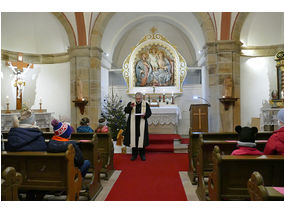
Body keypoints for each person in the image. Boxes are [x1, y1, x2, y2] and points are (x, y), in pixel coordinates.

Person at [123, 92, 152, 161]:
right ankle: (134, 155)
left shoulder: (145, 104)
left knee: (141, 139)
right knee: (134, 139)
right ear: (135, 98)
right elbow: (126, 111)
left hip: (142, 123)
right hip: (133, 124)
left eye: (139, 98)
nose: (138, 100)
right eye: (137, 98)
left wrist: (144, 115)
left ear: (142, 98)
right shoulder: (131, 103)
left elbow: (149, 113)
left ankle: (142, 155)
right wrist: (130, 107)